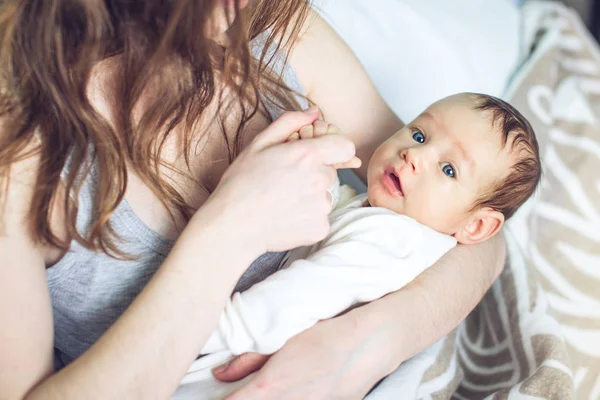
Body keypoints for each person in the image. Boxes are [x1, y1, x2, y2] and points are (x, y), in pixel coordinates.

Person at [0, 1, 506, 399]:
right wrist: (227, 231)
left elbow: (478, 235)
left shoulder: (275, 26)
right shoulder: (21, 150)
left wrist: (367, 344)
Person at [177, 93, 540, 397]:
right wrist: (321, 168)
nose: (415, 156)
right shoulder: (389, 219)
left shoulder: (395, 241)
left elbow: (299, 295)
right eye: (418, 135)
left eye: (448, 170)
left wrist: (202, 326)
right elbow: (332, 221)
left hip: (234, 361)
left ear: (476, 226)